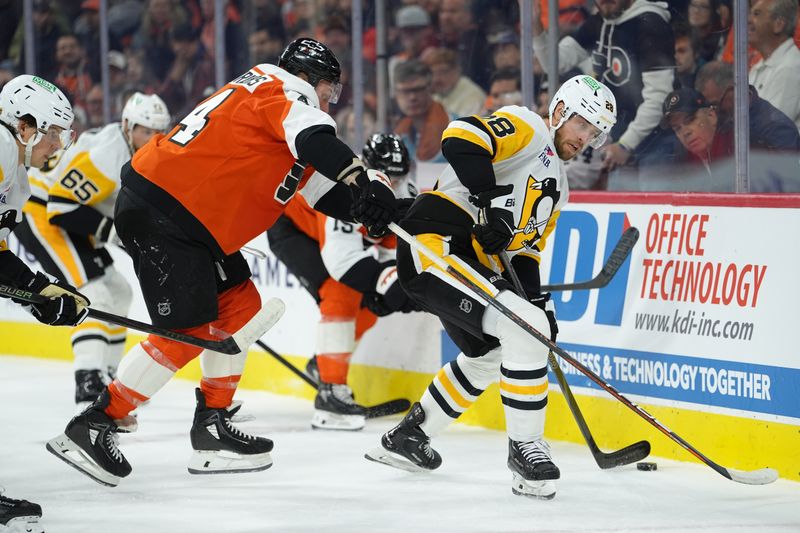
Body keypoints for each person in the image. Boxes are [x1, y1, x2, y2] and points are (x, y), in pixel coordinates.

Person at [46, 38, 398, 488]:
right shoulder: (283, 89)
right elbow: (317, 140)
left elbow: (319, 189)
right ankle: (95, 424)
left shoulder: (273, 112)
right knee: (190, 332)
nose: (330, 100)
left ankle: (212, 424)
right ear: (309, 77)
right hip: (168, 214)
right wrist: (361, 175)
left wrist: (377, 207)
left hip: (186, 221)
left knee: (241, 311)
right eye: (330, 88)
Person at [365, 75, 617, 500]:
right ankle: (526, 450)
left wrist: (538, 303)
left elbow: (524, 255)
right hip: (434, 239)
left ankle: (411, 437)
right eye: (582, 125)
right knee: (523, 326)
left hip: (467, 260)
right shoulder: (530, 128)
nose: (585, 138)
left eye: (594, 133)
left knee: (499, 349)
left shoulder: (561, 190)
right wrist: (490, 202)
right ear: (558, 112)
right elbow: (460, 138)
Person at [15, 92, 171, 409]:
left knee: (120, 290)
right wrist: (114, 234)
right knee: (95, 291)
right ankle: (88, 378)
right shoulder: (110, 154)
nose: (153, 138)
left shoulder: (138, 152)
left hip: (63, 216)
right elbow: (61, 205)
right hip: (41, 213)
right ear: (128, 126)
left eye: (159, 131)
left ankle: (109, 377)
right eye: (145, 130)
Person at [267, 133, 418, 431]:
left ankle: (322, 365)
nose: (395, 184)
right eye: (388, 176)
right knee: (341, 293)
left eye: (400, 177)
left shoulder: (405, 193)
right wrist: (383, 280)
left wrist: (390, 284)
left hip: (332, 243)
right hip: (295, 232)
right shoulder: (350, 188)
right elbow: (342, 261)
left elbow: (390, 247)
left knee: (373, 303)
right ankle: (330, 396)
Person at [0, 75, 87, 533]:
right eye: (53, 132)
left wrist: (38, 291)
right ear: (25, 124)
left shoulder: (12, 167)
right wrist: (36, 293)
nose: (57, 144)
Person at [532, 0, 675, 172]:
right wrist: (535, 25)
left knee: (652, 197)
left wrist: (625, 145)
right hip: (618, 143)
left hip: (657, 142)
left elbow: (659, 97)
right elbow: (555, 63)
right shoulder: (600, 21)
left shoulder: (650, 24)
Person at [748, 0, 800, 130]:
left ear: (778, 25)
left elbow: (772, 129)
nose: (749, 20)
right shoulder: (757, 67)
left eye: (757, 14)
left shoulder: (791, 67)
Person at [393, 60, 456, 163]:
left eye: (418, 89)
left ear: (430, 88)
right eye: (405, 91)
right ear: (396, 94)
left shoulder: (456, 129)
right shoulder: (399, 132)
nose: (412, 97)